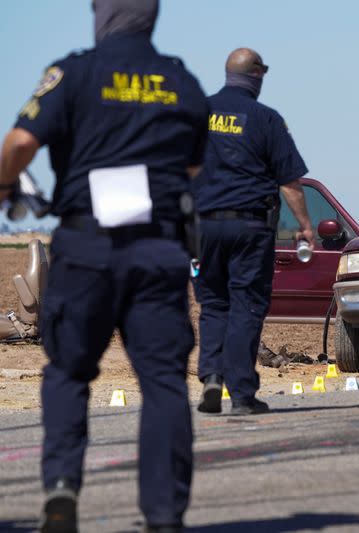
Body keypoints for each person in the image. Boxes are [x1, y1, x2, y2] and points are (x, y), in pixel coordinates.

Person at [0, 0, 208, 530]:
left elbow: (22, 140)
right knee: (163, 380)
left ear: (102, 15)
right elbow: (193, 165)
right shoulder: (181, 81)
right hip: (158, 248)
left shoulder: (71, 72)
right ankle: (164, 516)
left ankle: (63, 487)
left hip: (87, 247)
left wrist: (5, 184)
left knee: (69, 370)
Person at [193, 48, 314, 416]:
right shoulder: (266, 119)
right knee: (246, 304)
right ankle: (242, 393)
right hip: (249, 226)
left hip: (204, 228)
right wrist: (305, 226)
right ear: (257, 75)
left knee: (213, 303)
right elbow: (290, 182)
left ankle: (211, 377)